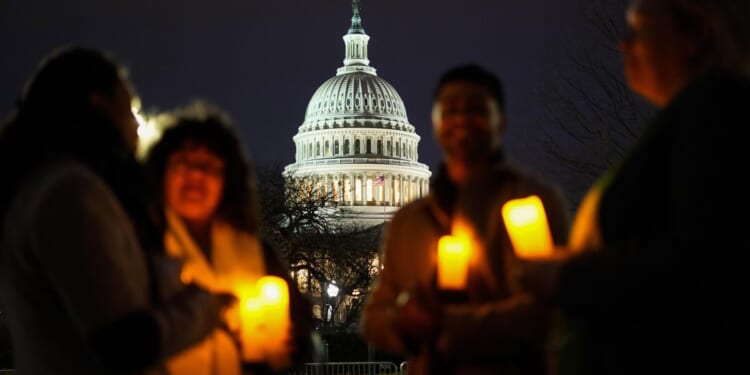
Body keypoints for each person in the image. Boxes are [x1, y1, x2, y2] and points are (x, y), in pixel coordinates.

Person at [518, 0, 750, 374]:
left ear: (697, 35)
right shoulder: (690, 118)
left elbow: (704, 262)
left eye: (638, 30)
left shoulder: (716, 113)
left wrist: (568, 277)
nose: (622, 45)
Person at [0, 46, 234, 374]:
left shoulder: (50, 185)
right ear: (100, 105)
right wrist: (208, 307)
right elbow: (122, 342)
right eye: (130, 107)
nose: (137, 125)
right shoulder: (70, 193)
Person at [360, 64, 570, 375]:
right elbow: (375, 318)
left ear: (502, 123)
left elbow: (549, 309)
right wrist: (400, 320)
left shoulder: (530, 203)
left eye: (475, 110)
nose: (460, 120)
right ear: (435, 124)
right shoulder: (408, 221)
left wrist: (446, 324)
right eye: (450, 109)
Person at [144, 101, 315, 375]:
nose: (196, 176)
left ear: (228, 180)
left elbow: (301, 332)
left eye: (209, 166)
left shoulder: (258, 252)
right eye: (183, 163)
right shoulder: (140, 245)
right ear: (160, 172)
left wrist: (293, 344)